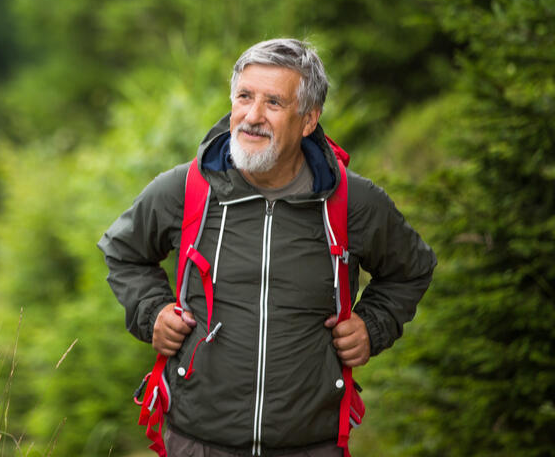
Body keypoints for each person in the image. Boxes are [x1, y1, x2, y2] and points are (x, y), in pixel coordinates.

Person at [98, 38, 436, 457]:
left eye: (274, 103)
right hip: (197, 440)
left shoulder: (352, 202)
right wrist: (153, 312)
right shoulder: (187, 189)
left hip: (311, 443)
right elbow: (123, 251)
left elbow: (412, 269)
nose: (252, 117)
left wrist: (374, 325)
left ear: (309, 119)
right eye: (244, 97)